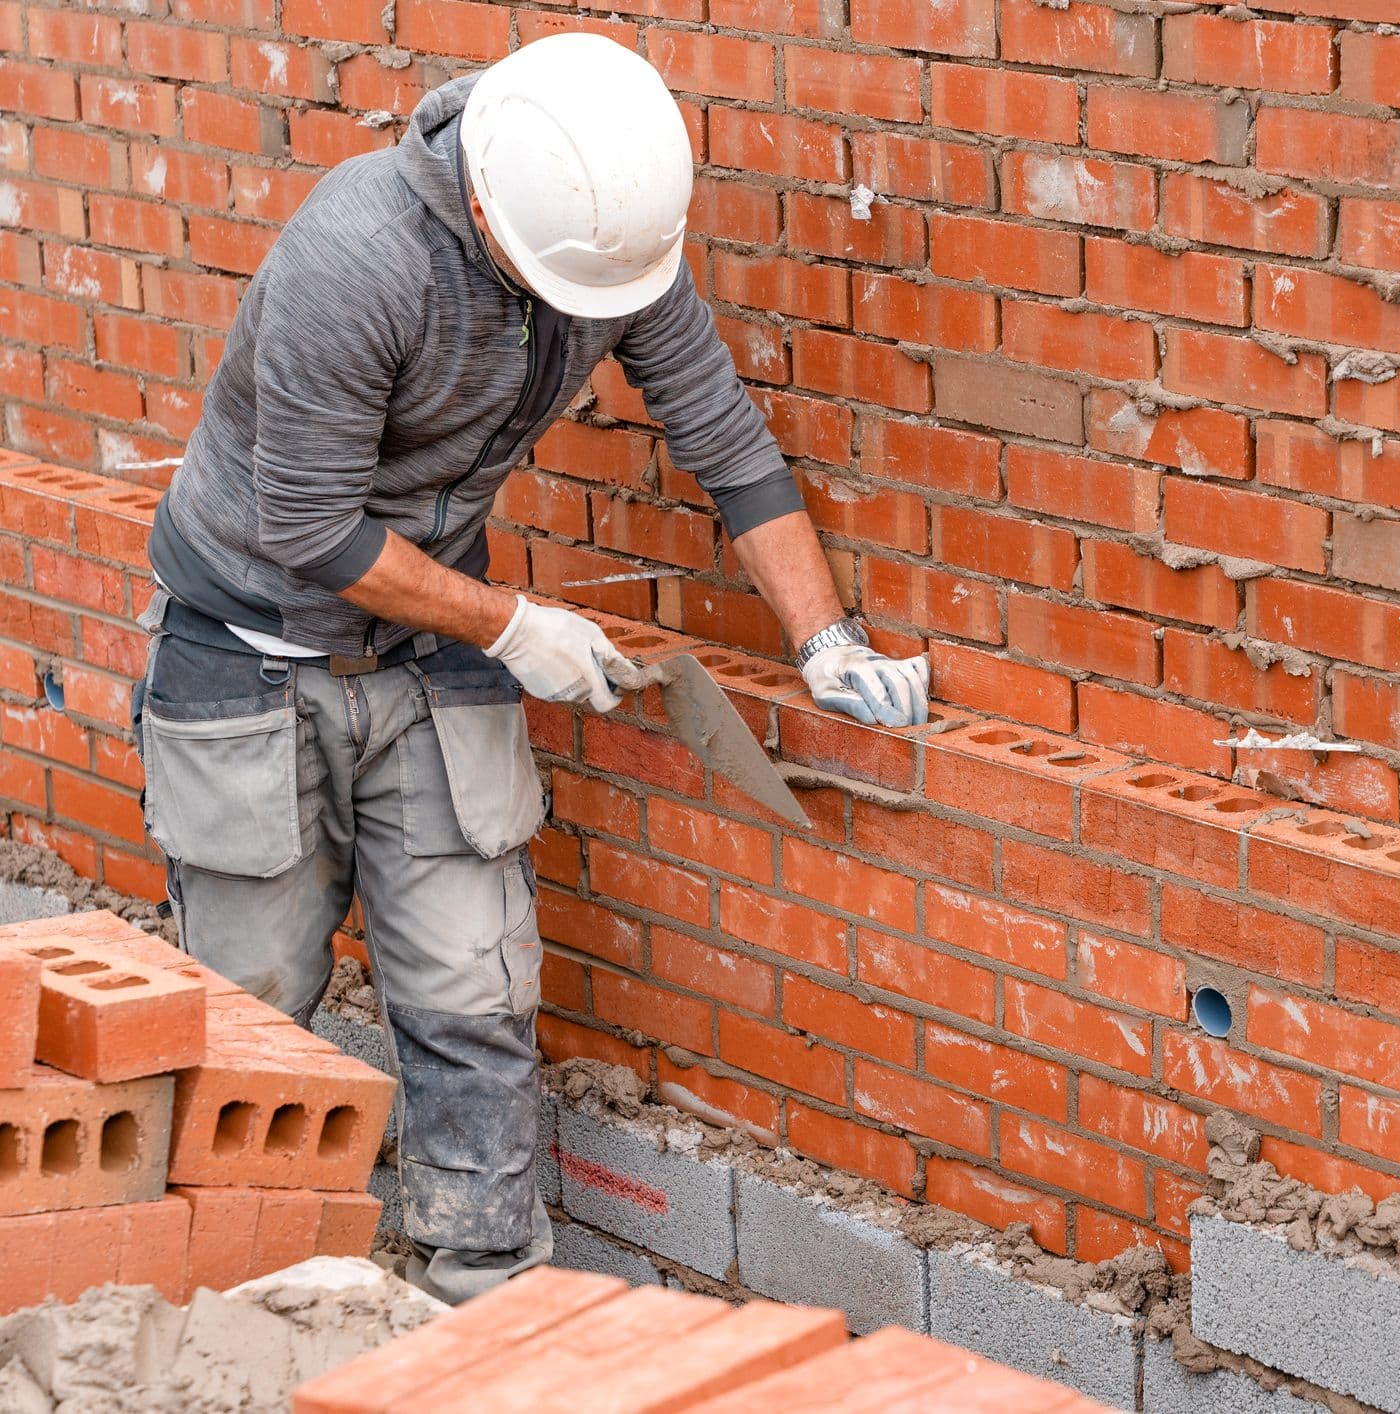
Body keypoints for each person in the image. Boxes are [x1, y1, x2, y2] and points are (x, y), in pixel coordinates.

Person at [131, 32, 928, 1303]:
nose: (593, 313)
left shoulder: (606, 244)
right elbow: (310, 530)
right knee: (255, 1000)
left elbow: (722, 435)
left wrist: (825, 639)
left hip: (432, 644)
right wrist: (511, 626)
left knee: (473, 985)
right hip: (252, 647)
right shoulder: (362, 253)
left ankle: (488, 1300)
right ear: (492, 209)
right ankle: (238, 1307)